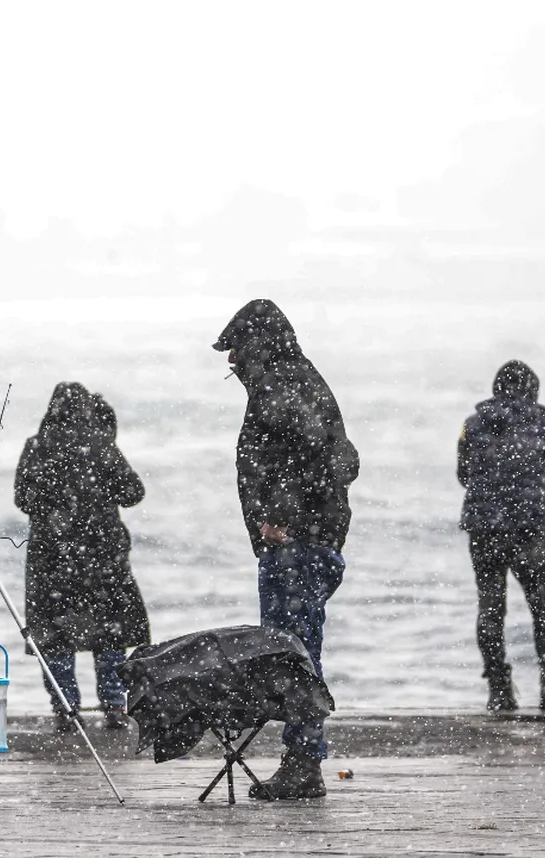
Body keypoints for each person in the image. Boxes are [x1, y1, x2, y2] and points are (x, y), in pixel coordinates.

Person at [212, 299, 359, 800]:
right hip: (312, 542)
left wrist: (280, 518)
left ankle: (304, 765)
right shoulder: (301, 380)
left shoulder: (280, 385)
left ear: (257, 345)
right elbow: (340, 457)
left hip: (297, 546)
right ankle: (302, 760)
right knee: (296, 652)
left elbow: (322, 455)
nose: (232, 361)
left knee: (293, 655)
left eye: (236, 350)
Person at [457, 359, 545, 714]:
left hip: (484, 530)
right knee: (544, 609)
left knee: (490, 609)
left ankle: (499, 692)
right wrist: (533, 476)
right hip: (526, 530)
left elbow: (464, 475)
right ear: (532, 391)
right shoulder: (542, 423)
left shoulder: (471, 425)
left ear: (496, 389)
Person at [15, 383, 149, 732]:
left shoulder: (37, 447)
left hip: (52, 560)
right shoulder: (102, 447)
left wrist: (55, 504)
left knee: (55, 636)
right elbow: (133, 492)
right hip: (102, 558)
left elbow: (23, 499)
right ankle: (115, 705)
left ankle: (66, 708)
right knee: (109, 634)